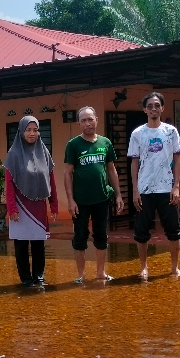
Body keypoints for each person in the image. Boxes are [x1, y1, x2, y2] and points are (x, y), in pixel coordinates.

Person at [63, 106, 124, 283]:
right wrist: (70, 200)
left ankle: (100, 273)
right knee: (80, 236)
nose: (87, 123)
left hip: (102, 198)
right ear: (79, 123)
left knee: (101, 236)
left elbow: (112, 170)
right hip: (80, 200)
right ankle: (81, 275)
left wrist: (119, 194)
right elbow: (67, 173)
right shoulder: (73, 145)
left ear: (96, 119)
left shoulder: (105, 143)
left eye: (90, 119)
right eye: (83, 120)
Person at [128, 91, 180, 280]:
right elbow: (134, 163)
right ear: (145, 109)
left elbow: (178, 159)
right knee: (141, 231)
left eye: (157, 105)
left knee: (174, 231)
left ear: (162, 108)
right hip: (145, 189)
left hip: (166, 189)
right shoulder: (138, 133)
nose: (154, 108)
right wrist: (135, 190)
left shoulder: (170, 132)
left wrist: (176, 186)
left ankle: (174, 267)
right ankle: (144, 267)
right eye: (150, 106)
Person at [4, 115, 58, 287]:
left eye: (35, 130)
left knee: (38, 244)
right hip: (20, 206)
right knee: (21, 245)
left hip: (39, 206)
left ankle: (39, 277)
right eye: (28, 130)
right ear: (21, 131)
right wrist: (12, 208)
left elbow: (51, 180)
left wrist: (54, 204)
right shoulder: (13, 154)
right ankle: (26, 279)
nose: (32, 133)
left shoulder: (44, 152)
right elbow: (9, 184)